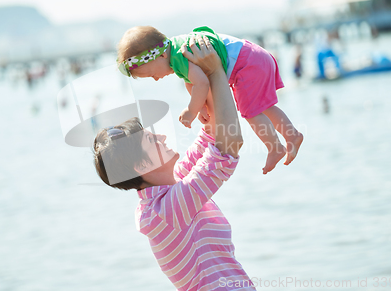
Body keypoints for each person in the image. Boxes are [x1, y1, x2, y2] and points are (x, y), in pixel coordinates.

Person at [93, 38, 256, 290]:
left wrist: (197, 71)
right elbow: (229, 146)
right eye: (150, 139)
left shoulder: (171, 185)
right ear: (140, 167)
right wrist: (215, 73)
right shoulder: (163, 211)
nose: (161, 136)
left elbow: (213, 133)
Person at [116, 26, 303, 174]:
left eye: (152, 74)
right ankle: (292, 135)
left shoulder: (179, 55)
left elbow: (202, 83)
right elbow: (192, 80)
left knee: (250, 112)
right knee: (265, 107)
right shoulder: (176, 51)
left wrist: (192, 110)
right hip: (255, 56)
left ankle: (275, 147)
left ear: (161, 54)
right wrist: (203, 105)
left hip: (246, 65)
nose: (156, 78)